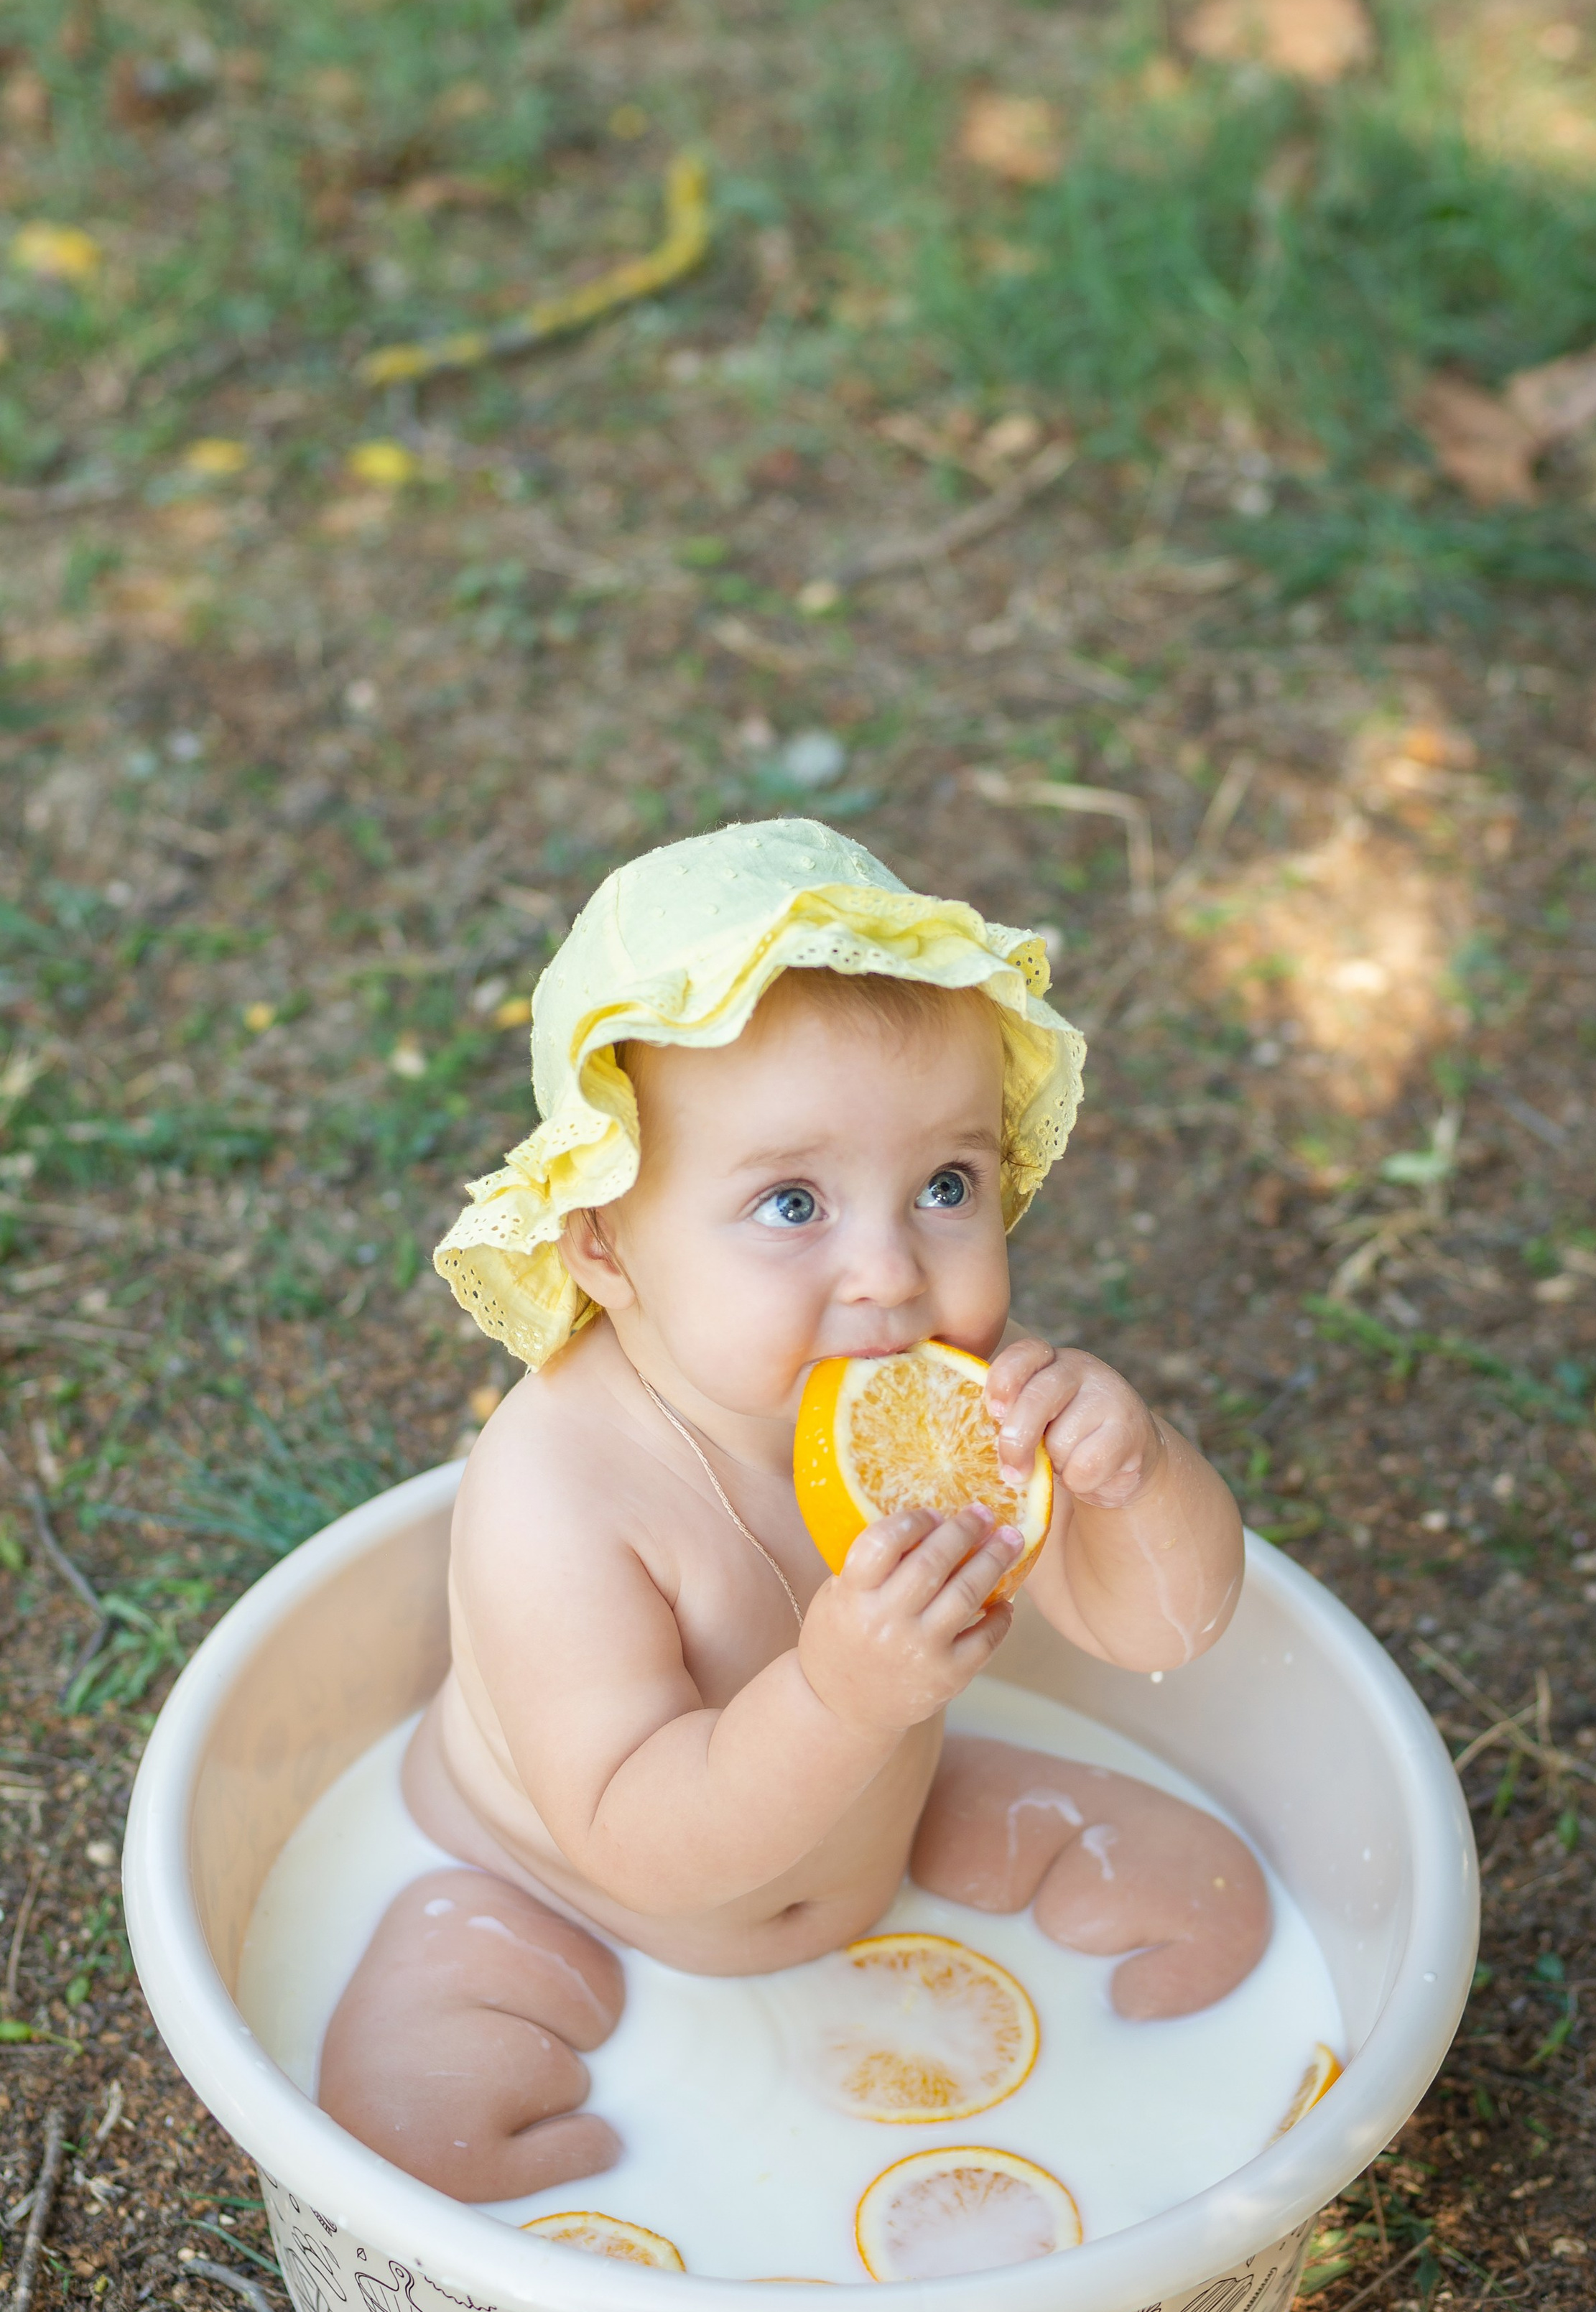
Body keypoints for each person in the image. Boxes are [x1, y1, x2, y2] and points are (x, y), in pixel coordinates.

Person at [319, 820, 1266, 2201]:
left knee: (1209, 1889)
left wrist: (1139, 1474)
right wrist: (840, 1701)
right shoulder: (559, 1489)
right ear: (604, 1241)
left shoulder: (949, 1414)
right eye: (792, 1202)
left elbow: (1161, 1626)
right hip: (558, 1885)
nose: (888, 1270)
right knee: (419, 2128)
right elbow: (636, 1837)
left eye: (946, 1185)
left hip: (872, 1822)